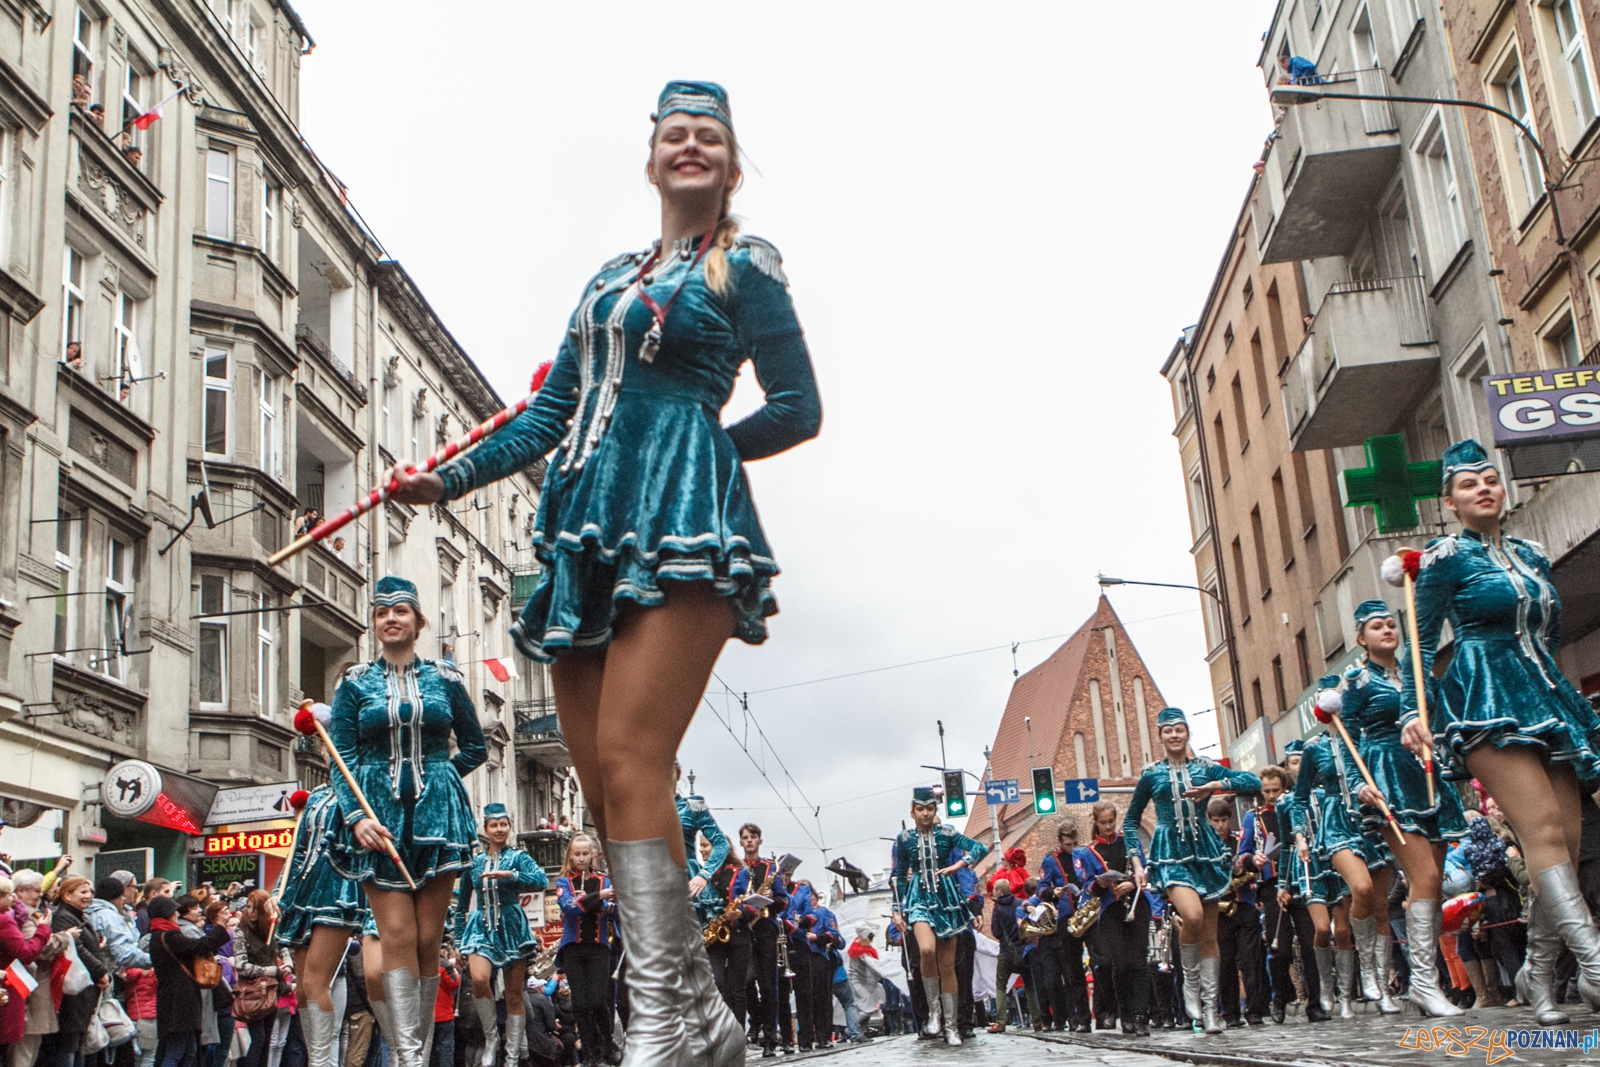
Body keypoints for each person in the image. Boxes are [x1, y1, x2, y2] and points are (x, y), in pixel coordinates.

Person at [381, 79, 820, 1067]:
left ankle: (660, 1013)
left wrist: (699, 453)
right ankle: (700, 1016)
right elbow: (545, 416)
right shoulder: (605, 278)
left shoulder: (744, 266)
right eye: (675, 132)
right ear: (653, 155)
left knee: (631, 755)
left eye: (710, 134)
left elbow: (796, 405)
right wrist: (441, 479)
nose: (691, 144)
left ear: (730, 163)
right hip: (581, 528)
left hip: (683, 524)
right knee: (604, 783)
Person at [1403, 440, 1600, 1024]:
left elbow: (1551, 634)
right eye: (1469, 484)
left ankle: (1536, 976)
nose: (1484, 488)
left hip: (1545, 695)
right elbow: (1418, 643)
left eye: (1491, 479)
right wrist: (1418, 712)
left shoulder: (1532, 554)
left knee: (1561, 843)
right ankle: (1594, 963)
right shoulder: (1444, 559)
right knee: (1538, 829)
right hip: (1484, 699)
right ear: (1451, 501)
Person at [327, 576, 486, 1067]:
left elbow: (476, 746)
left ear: (418, 621)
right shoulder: (354, 682)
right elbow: (341, 755)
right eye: (381, 612)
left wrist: (441, 779)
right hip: (378, 820)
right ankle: (408, 1056)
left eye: (400, 610)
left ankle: (413, 1050)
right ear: (374, 623)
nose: (390, 618)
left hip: (440, 821)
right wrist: (355, 816)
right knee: (395, 935)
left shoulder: (447, 678)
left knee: (426, 939)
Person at [1335, 598, 1467, 1018]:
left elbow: (1442, 718)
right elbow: (1346, 737)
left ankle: (1425, 985)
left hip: (1428, 775)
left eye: (1391, 624)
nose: (1387, 630)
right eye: (1376, 626)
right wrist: (1359, 784)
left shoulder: (1417, 673)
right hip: (1388, 777)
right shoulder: (1356, 681)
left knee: (1431, 883)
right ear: (1361, 638)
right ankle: (1425, 984)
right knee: (1424, 875)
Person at [1125, 707, 1262, 1035]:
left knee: (1210, 936)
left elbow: (1252, 781)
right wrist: (1136, 862)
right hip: (1171, 853)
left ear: (1187, 733)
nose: (1174, 735)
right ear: (1159, 736)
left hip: (1206, 854)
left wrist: (1215, 784)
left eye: (1179, 729)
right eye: (1167, 730)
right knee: (1194, 916)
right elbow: (1131, 821)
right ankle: (1190, 987)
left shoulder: (1203, 768)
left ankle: (1211, 1009)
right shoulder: (1151, 775)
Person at [1294, 676, 1399, 1016]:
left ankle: (1382, 990)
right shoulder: (1314, 750)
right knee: (1361, 888)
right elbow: (1298, 800)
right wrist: (1298, 834)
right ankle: (1363, 973)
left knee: (1381, 909)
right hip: (1337, 824)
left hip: (1371, 823)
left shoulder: (1366, 741)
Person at [890, 785, 988, 1047]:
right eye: (920, 809)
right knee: (926, 951)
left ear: (935, 810)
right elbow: (900, 876)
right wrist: (896, 909)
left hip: (947, 899)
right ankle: (933, 1013)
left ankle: (951, 1025)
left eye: (930, 808)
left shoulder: (948, 834)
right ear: (912, 811)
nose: (924, 813)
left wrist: (958, 864)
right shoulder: (904, 839)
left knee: (948, 966)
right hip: (918, 898)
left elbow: (980, 848)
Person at [275, 787, 367, 1067]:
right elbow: (298, 850)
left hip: (339, 887)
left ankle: (322, 1064)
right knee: (303, 988)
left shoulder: (362, 786)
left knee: (316, 983)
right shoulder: (315, 796)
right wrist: (279, 892)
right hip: (303, 891)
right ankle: (318, 1061)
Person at [455, 802, 546, 1067]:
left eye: (503, 824)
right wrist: (460, 941)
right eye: (494, 825)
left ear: (509, 827)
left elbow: (540, 880)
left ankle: (512, 1057)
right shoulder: (475, 863)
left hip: (512, 926)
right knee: (479, 979)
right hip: (481, 925)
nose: (499, 829)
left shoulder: (518, 857)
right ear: (485, 828)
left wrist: (511, 875)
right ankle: (492, 1038)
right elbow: (461, 906)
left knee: (514, 995)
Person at [1274, 747, 1342, 1023]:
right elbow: (1286, 846)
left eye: (1304, 762)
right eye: (1293, 762)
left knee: (1339, 932)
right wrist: (1282, 884)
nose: (1299, 766)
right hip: (1303, 877)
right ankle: (1315, 999)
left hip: (1332, 867)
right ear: (1287, 768)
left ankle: (1335, 993)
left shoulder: (1327, 796)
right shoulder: (1284, 803)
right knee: (1313, 934)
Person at [1073, 802, 1147, 1032]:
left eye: (1111, 822)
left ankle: (1141, 1015)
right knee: (1121, 964)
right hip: (1111, 911)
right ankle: (1125, 1014)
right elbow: (1087, 887)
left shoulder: (1129, 841)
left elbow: (1144, 868)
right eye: (1103, 822)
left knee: (1139, 963)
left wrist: (1133, 882)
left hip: (1136, 904)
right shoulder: (1088, 852)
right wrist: (1100, 883)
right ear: (1096, 822)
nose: (1108, 826)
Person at [554, 833, 617, 1067]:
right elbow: (569, 908)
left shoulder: (604, 880)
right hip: (574, 949)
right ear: (571, 855)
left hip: (599, 947)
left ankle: (608, 1043)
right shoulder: (564, 882)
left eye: (585, 854)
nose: (581, 858)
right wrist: (596, 900)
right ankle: (590, 1054)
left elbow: (615, 909)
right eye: (577, 854)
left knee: (597, 1000)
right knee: (580, 1004)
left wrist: (594, 902)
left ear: (592, 855)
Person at [149, 895, 231, 1067]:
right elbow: (198, 947)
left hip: (180, 1000)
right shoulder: (169, 935)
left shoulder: (159, 934)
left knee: (189, 1050)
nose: (176, 914)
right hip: (178, 1002)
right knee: (176, 1051)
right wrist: (220, 927)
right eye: (173, 911)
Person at [41, 875, 110, 1067]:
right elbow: (78, 950)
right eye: (83, 892)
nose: (88, 896)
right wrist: (100, 971)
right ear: (67, 895)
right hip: (73, 993)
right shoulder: (64, 917)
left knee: (78, 1045)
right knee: (69, 1046)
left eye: (90, 892)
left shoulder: (79, 916)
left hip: (84, 992)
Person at [734, 825, 789, 1058]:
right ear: (741, 843)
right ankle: (755, 1021)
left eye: (753, 837)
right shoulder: (737, 868)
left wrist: (771, 900)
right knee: (745, 982)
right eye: (745, 838)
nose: (749, 841)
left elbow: (784, 901)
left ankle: (770, 1038)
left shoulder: (770, 868)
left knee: (768, 985)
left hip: (766, 928)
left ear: (760, 841)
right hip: (744, 929)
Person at [1207, 800, 1263, 1026]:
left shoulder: (1239, 842)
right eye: (1215, 821)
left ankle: (1255, 1010)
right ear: (1209, 821)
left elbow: (1253, 863)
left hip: (1244, 904)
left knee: (1251, 960)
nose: (1220, 825)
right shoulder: (1206, 845)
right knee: (1226, 962)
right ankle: (1230, 1014)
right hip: (1219, 910)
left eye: (1223, 820)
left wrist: (1244, 867)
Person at [1036, 821, 1090, 1031]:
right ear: (1060, 842)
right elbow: (1041, 888)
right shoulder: (1050, 860)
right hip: (1067, 916)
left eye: (1075, 843)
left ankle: (1105, 1011)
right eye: (1068, 844)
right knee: (1072, 970)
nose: (1072, 847)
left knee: (1101, 961)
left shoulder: (1083, 854)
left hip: (1088, 912)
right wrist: (1053, 893)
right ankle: (1081, 1018)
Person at [0, 877, 50, 1055]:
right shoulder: (4, 921)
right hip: (6, 989)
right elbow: (26, 953)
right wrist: (43, 930)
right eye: (8, 894)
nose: (13, 898)